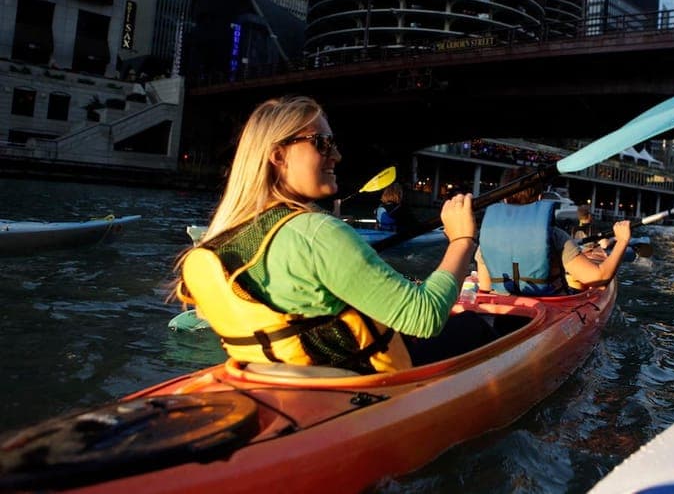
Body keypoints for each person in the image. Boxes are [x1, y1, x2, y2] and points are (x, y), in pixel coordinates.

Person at [173, 95, 494, 374]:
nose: (336, 155)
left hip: (268, 376)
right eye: (321, 143)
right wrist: (461, 240)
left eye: (333, 143)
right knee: (473, 326)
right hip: (355, 381)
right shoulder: (318, 233)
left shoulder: (223, 239)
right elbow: (424, 317)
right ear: (278, 156)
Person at [475, 167, 633, 295]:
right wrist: (622, 241)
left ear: (504, 199)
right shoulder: (555, 236)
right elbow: (599, 278)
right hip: (551, 308)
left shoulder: (488, 237)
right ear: (540, 198)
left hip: (506, 308)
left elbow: (485, 289)